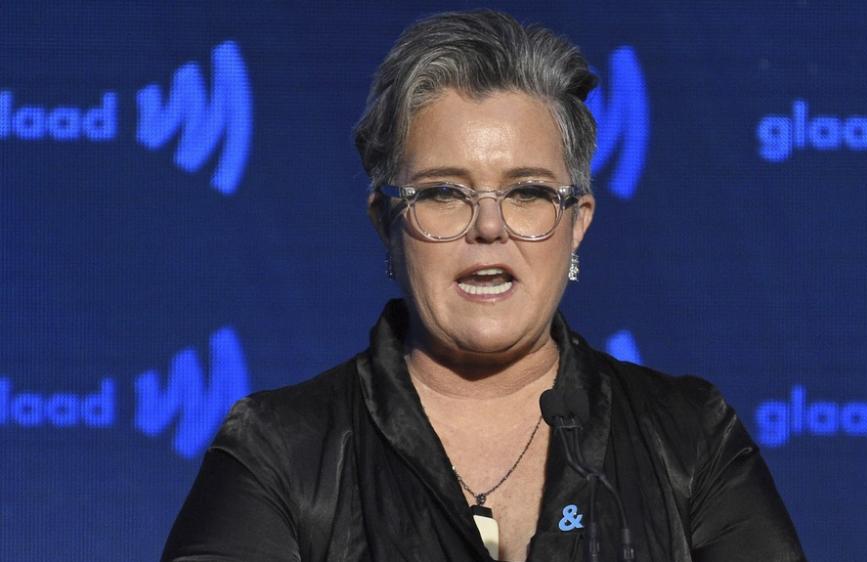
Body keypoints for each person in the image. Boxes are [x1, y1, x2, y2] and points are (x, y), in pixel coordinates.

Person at [162, 10, 805, 562]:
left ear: (577, 224)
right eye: (444, 192)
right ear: (387, 223)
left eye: (527, 192)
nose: (489, 227)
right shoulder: (280, 449)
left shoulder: (689, 439)